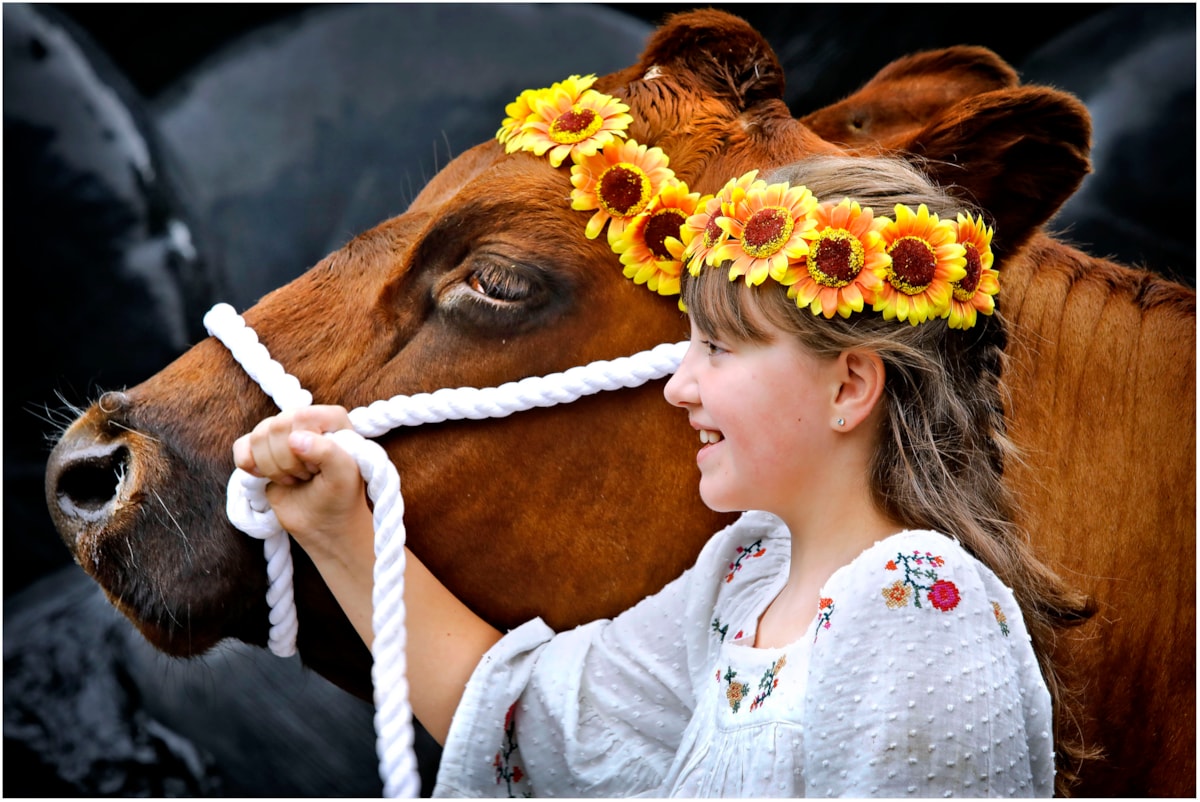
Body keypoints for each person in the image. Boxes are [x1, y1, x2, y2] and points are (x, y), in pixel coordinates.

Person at [233, 154, 1093, 797]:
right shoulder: (745, 579)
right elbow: (527, 725)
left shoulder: (917, 602)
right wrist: (342, 529)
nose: (680, 385)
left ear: (850, 385)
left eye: (718, 347)